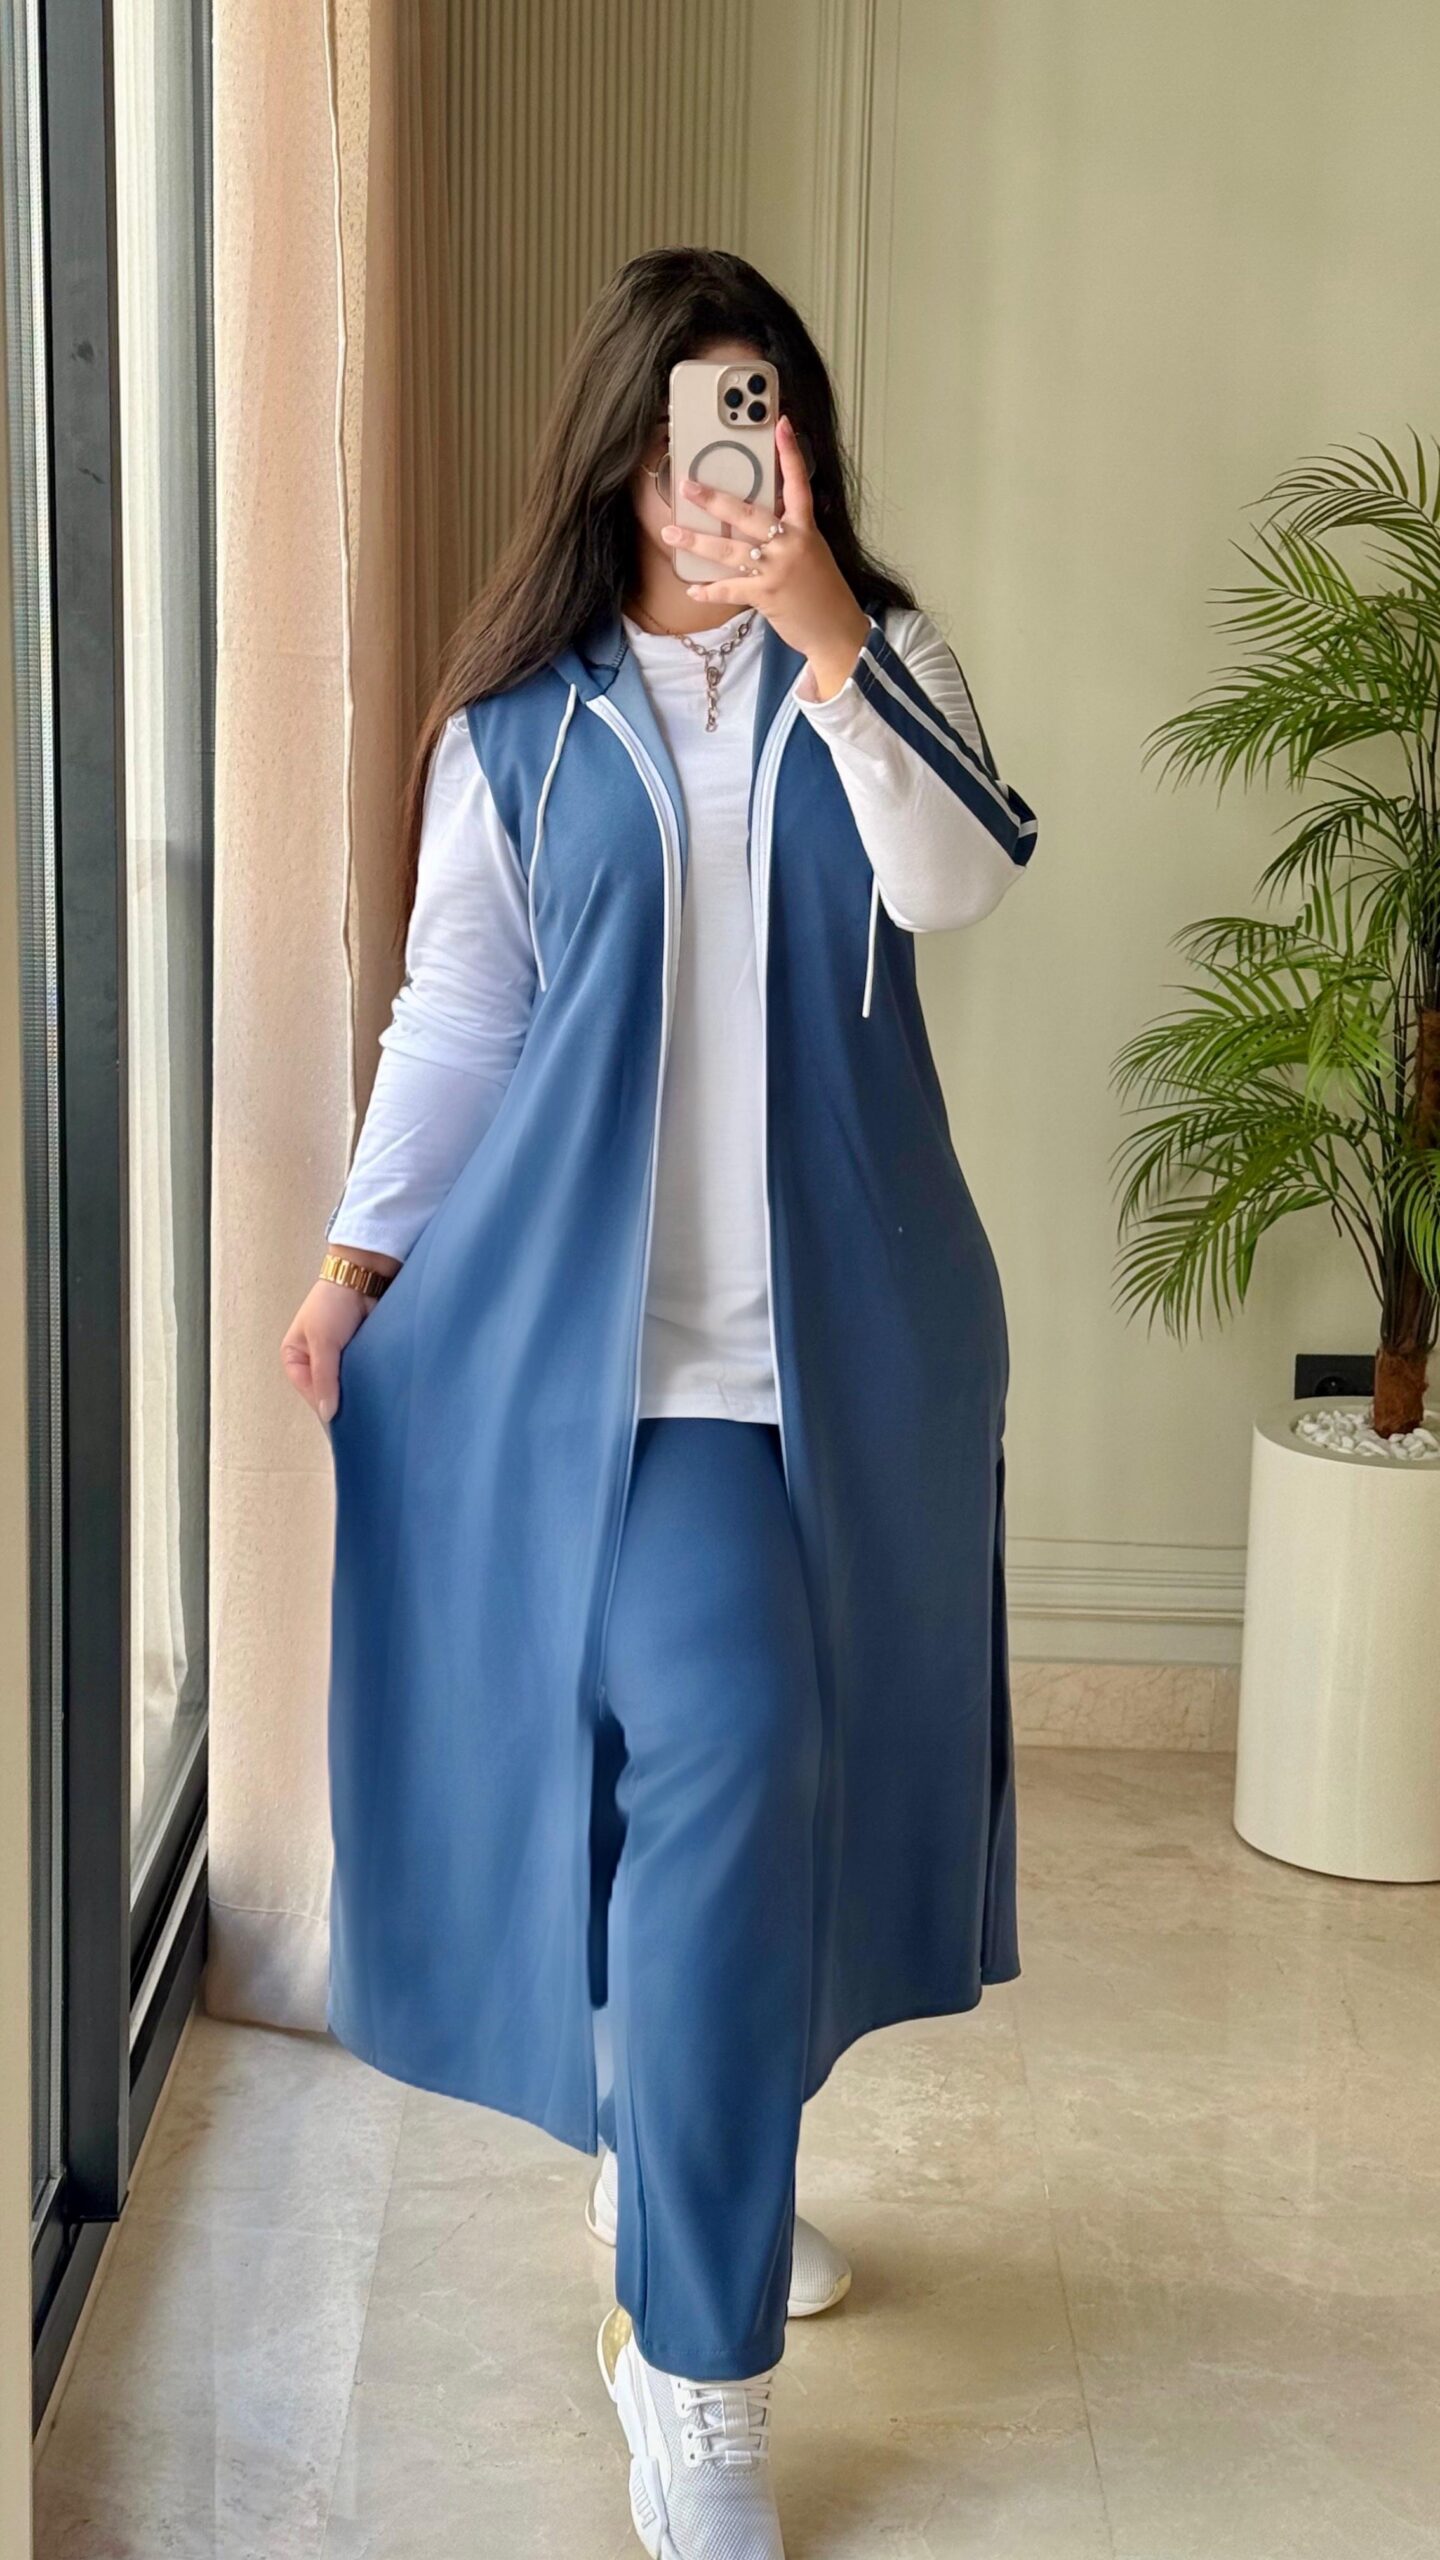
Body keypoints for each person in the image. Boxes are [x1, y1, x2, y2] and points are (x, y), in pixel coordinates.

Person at [281, 245, 1037, 2560]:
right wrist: (357, 1261)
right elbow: (459, 1022)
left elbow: (958, 879)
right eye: (701, 414)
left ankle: (681, 2143)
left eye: (768, 412)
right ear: (623, 445)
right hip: (623, 1382)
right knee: (730, 1738)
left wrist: (826, 630)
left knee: (790, 1786)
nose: (734, 454)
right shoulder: (520, 733)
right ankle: (697, 2374)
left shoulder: (882, 667)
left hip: (861, 1371)